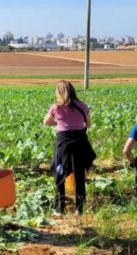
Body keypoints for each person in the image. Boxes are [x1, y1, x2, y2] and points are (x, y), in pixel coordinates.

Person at [44, 81, 95, 216]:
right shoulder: (83, 106)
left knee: (59, 172)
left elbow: (46, 122)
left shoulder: (56, 108)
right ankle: (79, 209)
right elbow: (88, 124)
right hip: (80, 143)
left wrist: (59, 122)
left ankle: (59, 209)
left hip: (63, 144)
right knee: (79, 176)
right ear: (73, 91)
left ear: (58, 92)